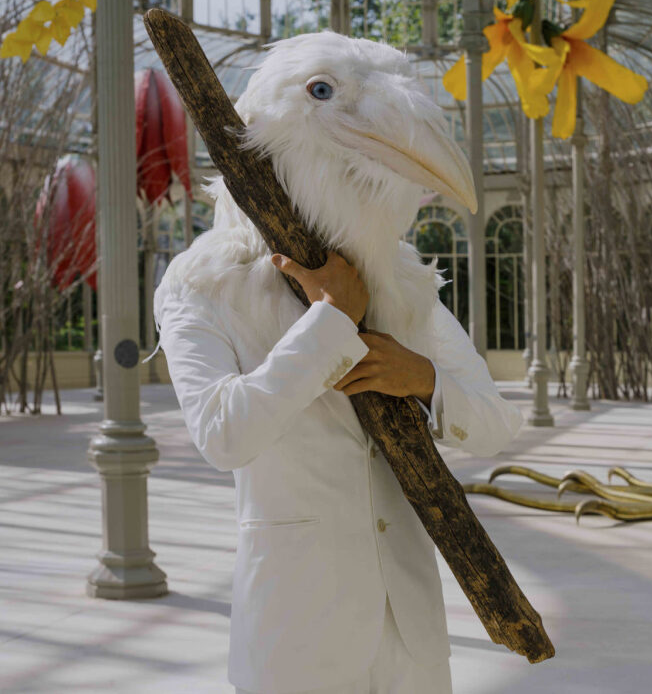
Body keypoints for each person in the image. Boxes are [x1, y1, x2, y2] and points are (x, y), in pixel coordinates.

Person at [156, 225, 523, 694]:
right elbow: (222, 433)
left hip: (412, 641)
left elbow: (495, 424)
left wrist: (424, 378)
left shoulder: (396, 269)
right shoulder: (200, 279)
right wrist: (331, 321)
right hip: (296, 635)